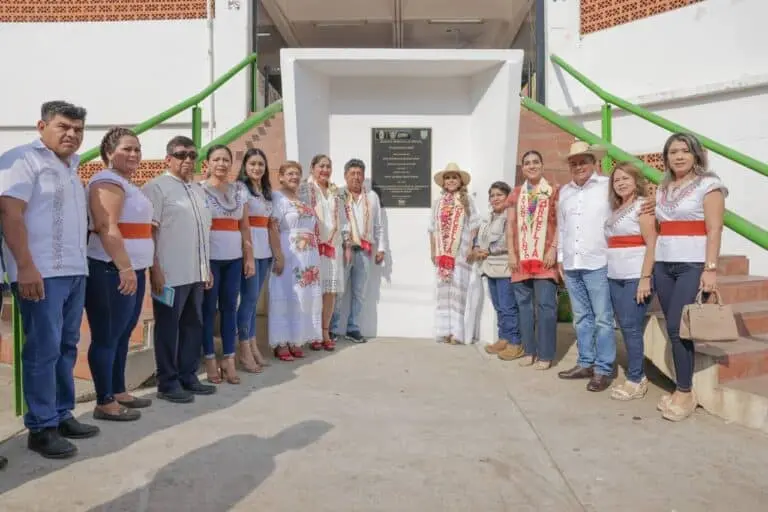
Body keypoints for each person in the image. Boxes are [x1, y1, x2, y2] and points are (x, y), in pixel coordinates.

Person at [0, 101, 99, 459]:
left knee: (67, 345)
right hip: (41, 273)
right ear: (42, 126)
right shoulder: (23, 160)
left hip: (74, 270)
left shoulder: (72, 167)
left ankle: (61, 413)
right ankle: (41, 427)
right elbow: (11, 214)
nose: (72, 134)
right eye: (63, 127)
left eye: (78, 129)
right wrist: (25, 267)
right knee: (43, 349)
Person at [654, 132, 726, 421]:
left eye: (684, 150)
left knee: (677, 326)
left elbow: (715, 229)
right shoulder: (663, 188)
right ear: (666, 158)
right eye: (673, 152)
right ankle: (680, 387)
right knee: (674, 327)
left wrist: (710, 268)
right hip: (663, 263)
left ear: (696, 154)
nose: (679, 156)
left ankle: (685, 391)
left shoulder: (709, 185)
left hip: (692, 263)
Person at [85, 127, 154, 422]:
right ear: (109, 153)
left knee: (123, 333)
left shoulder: (128, 183)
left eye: (137, 149)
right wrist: (125, 267)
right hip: (110, 269)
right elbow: (106, 226)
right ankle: (104, 401)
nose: (134, 154)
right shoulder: (106, 181)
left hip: (132, 269)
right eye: (126, 148)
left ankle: (118, 389)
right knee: (107, 335)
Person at [143, 135, 216, 404]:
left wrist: (206, 268)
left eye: (192, 155)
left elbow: (203, 233)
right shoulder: (156, 188)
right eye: (181, 154)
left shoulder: (198, 190)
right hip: (170, 274)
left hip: (196, 273)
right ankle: (168, 381)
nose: (187, 160)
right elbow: (150, 232)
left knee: (192, 327)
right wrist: (156, 269)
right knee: (168, 329)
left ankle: (188, 376)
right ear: (168, 158)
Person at [200, 145, 255, 384]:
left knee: (230, 308)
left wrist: (249, 256)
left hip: (234, 259)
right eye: (216, 159)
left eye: (225, 160)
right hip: (210, 259)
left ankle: (229, 359)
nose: (221, 164)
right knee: (209, 309)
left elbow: (244, 227)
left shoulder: (239, 190)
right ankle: (210, 359)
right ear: (208, 163)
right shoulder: (199, 190)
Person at [605, 163, 657, 400]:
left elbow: (651, 243)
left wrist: (645, 279)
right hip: (615, 275)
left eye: (626, 178)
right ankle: (636, 373)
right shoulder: (616, 210)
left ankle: (636, 378)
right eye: (616, 180)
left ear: (636, 181)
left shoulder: (642, 207)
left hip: (635, 275)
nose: (621, 183)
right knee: (624, 326)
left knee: (630, 325)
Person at [505, 150, 560, 370]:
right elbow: (510, 226)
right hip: (520, 257)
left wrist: (553, 249)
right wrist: (511, 252)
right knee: (524, 306)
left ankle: (546, 354)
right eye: (527, 163)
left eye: (536, 162)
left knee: (546, 306)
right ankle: (529, 350)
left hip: (545, 256)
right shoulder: (516, 193)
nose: (531, 166)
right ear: (522, 168)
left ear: (543, 165)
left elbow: (561, 223)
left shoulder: (553, 191)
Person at [268, 161, 322, 360]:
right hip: (289, 254)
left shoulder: (302, 200)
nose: (294, 177)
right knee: (286, 297)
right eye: (289, 173)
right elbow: (272, 226)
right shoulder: (277, 197)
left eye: (297, 174)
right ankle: (281, 342)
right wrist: (278, 254)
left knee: (302, 298)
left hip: (308, 257)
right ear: (281, 176)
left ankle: (295, 339)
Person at [331, 158, 385, 343]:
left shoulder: (372, 197)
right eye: (352, 173)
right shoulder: (338, 194)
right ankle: (332, 328)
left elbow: (379, 225)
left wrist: (382, 248)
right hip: (343, 249)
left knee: (359, 292)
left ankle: (353, 327)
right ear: (345, 176)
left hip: (364, 250)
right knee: (338, 290)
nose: (356, 177)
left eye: (359, 173)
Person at [300, 154, 348, 351]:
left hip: (333, 247)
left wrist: (346, 246)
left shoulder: (335, 193)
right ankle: (313, 332)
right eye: (321, 166)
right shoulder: (306, 189)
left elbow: (343, 221)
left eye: (328, 166)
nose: (325, 170)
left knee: (330, 292)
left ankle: (325, 330)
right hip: (313, 247)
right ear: (312, 168)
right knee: (314, 291)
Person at [428, 162, 480, 344]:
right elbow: (432, 228)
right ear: (443, 182)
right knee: (444, 290)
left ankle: (458, 332)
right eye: (447, 177)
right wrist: (433, 250)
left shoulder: (467, 200)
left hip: (460, 251)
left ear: (460, 181)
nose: (450, 180)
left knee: (459, 289)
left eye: (454, 177)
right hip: (443, 252)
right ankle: (445, 331)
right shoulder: (438, 203)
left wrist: (471, 246)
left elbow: (474, 225)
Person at [470, 181, 522, 357]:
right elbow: (480, 237)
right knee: (499, 306)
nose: (495, 198)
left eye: (499, 194)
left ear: (508, 196)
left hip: (505, 267)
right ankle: (503, 338)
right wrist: (476, 248)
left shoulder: (511, 216)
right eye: (492, 195)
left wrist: (488, 250)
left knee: (508, 307)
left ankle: (515, 342)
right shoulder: (488, 217)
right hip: (489, 267)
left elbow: (509, 241)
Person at [236, 148, 273, 370]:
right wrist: (247, 251)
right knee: (248, 301)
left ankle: (253, 345)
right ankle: (245, 349)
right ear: (245, 167)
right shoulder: (242, 190)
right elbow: (244, 224)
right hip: (250, 250)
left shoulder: (266, 191)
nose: (257, 168)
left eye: (260, 164)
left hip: (265, 251)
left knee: (253, 299)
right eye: (252, 164)